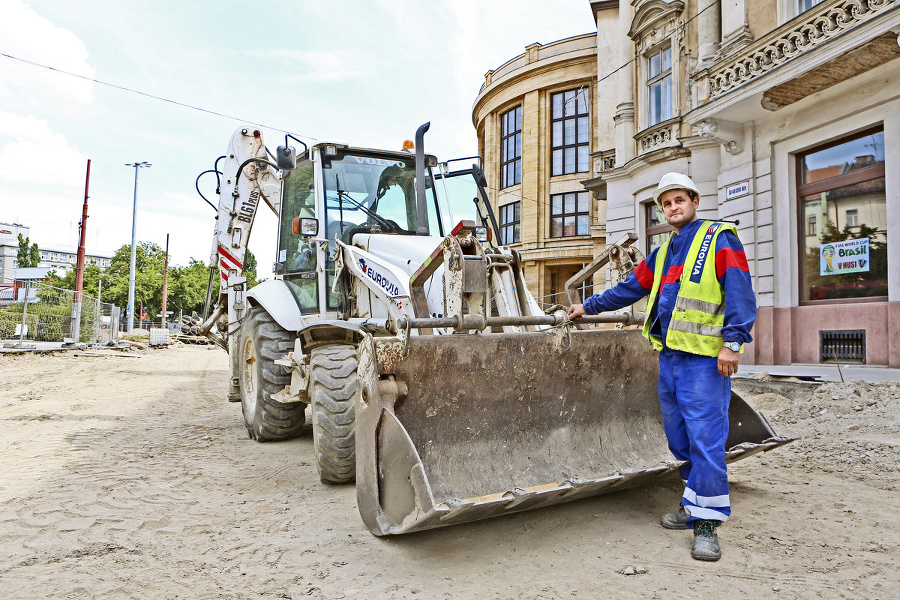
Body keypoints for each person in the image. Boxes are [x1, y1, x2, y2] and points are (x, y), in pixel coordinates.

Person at [568, 172, 756, 562]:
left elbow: (740, 292)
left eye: (679, 201)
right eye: (666, 203)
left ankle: (707, 524)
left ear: (694, 201)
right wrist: (588, 307)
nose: (673, 208)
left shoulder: (719, 238)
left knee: (705, 440)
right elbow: (630, 288)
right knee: (679, 439)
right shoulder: (666, 249)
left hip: (704, 360)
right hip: (670, 357)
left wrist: (733, 344)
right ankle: (693, 506)